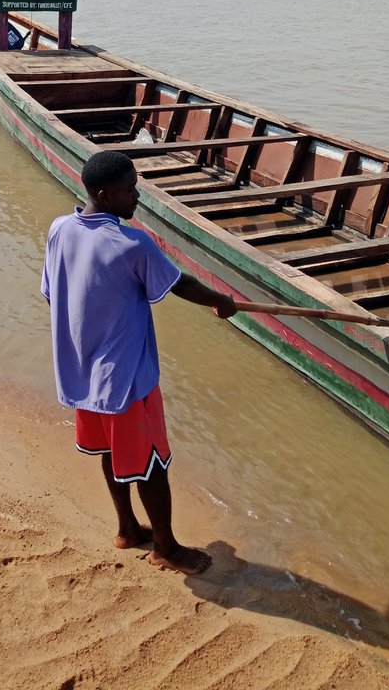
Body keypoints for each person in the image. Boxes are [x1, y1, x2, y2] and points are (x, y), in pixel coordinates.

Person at [41, 149, 239, 575]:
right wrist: (222, 301)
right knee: (151, 464)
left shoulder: (60, 229)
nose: (137, 196)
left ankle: (128, 527)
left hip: (82, 375)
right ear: (103, 193)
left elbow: (54, 292)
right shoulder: (132, 242)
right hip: (126, 378)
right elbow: (178, 283)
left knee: (112, 451)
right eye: (130, 189)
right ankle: (166, 548)